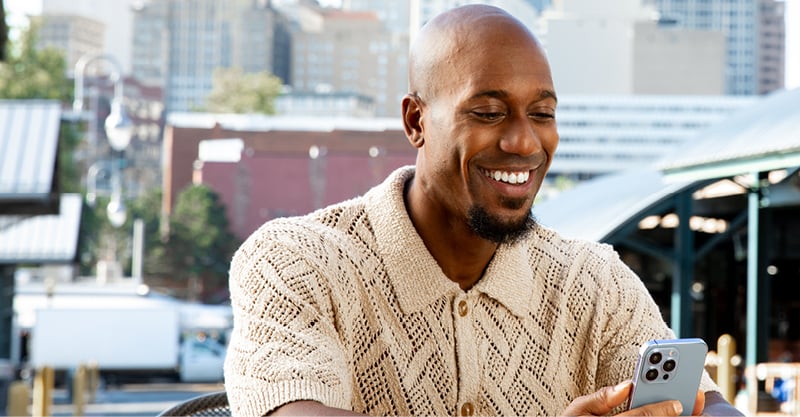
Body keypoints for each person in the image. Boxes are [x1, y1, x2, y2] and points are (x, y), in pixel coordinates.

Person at [222, 5, 741, 417]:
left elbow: (708, 403)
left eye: (542, 114)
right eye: (488, 112)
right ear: (416, 120)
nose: (523, 141)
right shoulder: (294, 261)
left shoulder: (597, 282)